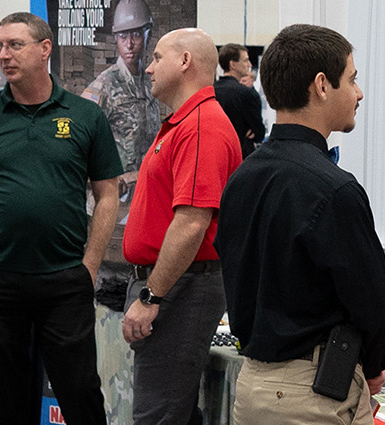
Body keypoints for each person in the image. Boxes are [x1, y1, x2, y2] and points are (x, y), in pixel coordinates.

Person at [216, 24, 385, 424]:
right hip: (313, 395)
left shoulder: (242, 178)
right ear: (321, 85)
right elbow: (372, 301)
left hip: (252, 386)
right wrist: (374, 363)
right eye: (352, 79)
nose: (359, 92)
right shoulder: (333, 189)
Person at [0, 12, 120, 425]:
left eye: (15, 45)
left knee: (80, 391)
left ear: (45, 49)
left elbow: (108, 194)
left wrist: (90, 265)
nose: (4, 55)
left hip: (64, 278)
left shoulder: (85, 116)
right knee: (6, 398)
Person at [120, 27, 241, 425]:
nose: (149, 68)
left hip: (180, 285)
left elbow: (191, 223)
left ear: (185, 61)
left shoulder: (201, 125)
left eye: (157, 57)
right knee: (170, 410)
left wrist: (152, 297)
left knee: (158, 415)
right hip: (174, 283)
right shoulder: (183, 122)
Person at [83, 0, 168, 180]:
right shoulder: (103, 85)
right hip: (117, 194)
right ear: (116, 38)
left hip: (147, 186)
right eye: (122, 37)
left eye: (136, 35)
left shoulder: (149, 81)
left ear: (148, 35)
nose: (129, 45)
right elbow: (82, 138)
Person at [215, 43, 265, 157]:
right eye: (245, 61)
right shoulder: (247, 94)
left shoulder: (210, 91)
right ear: (233, 64)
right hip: (240, 155)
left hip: (215, 153)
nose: (249, 64)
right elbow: (259, 133)